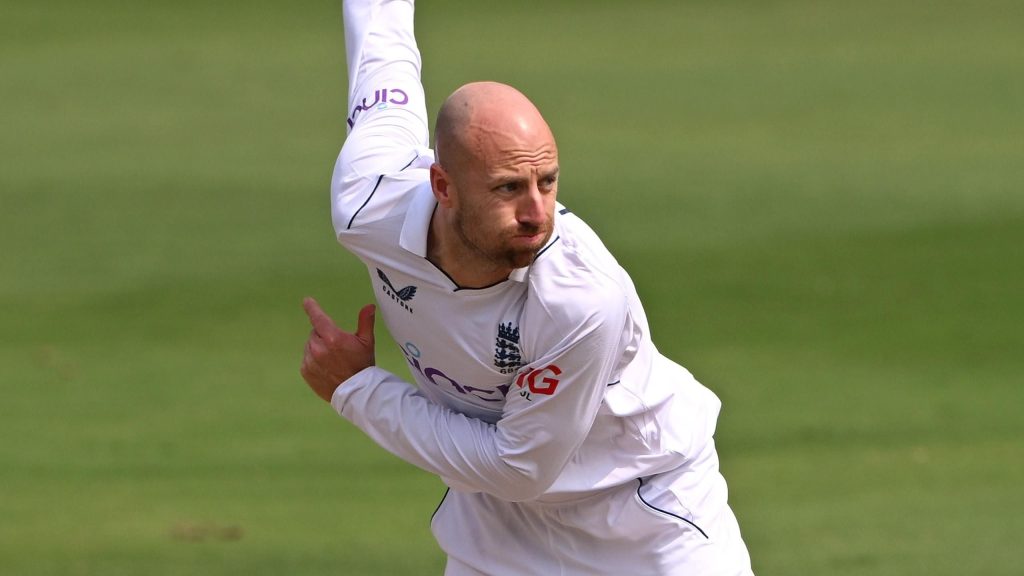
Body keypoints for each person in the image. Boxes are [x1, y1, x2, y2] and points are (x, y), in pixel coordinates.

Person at [299, 1, 755, 574]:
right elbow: (381, 55)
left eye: (548, 181)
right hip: (495, 527)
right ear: (442, 186)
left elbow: (518, 468)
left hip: (644, 517)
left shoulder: (581, 299)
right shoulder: (369, 203)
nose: (538, 213)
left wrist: (358, 390)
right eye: (508, 188)